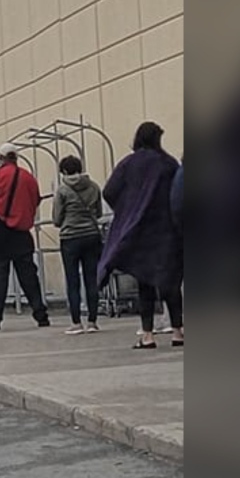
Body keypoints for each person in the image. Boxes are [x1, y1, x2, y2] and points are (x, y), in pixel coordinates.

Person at [99, 122, 184, 349]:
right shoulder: (169, 163)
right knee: (171, 281)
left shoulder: (129, 163)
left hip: (139, 230)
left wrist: (128, 209)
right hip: (168, 230)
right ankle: (178, 332)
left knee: (144, 282)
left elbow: (109, 191)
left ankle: (148, 335)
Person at [0, 143, 50, 331]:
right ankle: (41, 315)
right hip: (22, 234)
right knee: (28, 276)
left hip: (1, 233)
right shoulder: (29, 178)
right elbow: (35, 201)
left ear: (1, 159)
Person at [52, 155, 104, 335]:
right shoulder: (94, 187)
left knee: (72, 280)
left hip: (70, 238)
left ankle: (76, 323)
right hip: (91, 235)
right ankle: (92, 322)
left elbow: (57, 219)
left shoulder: (62, 191)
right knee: (91, 279)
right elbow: (98, 213)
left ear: (64, 172)